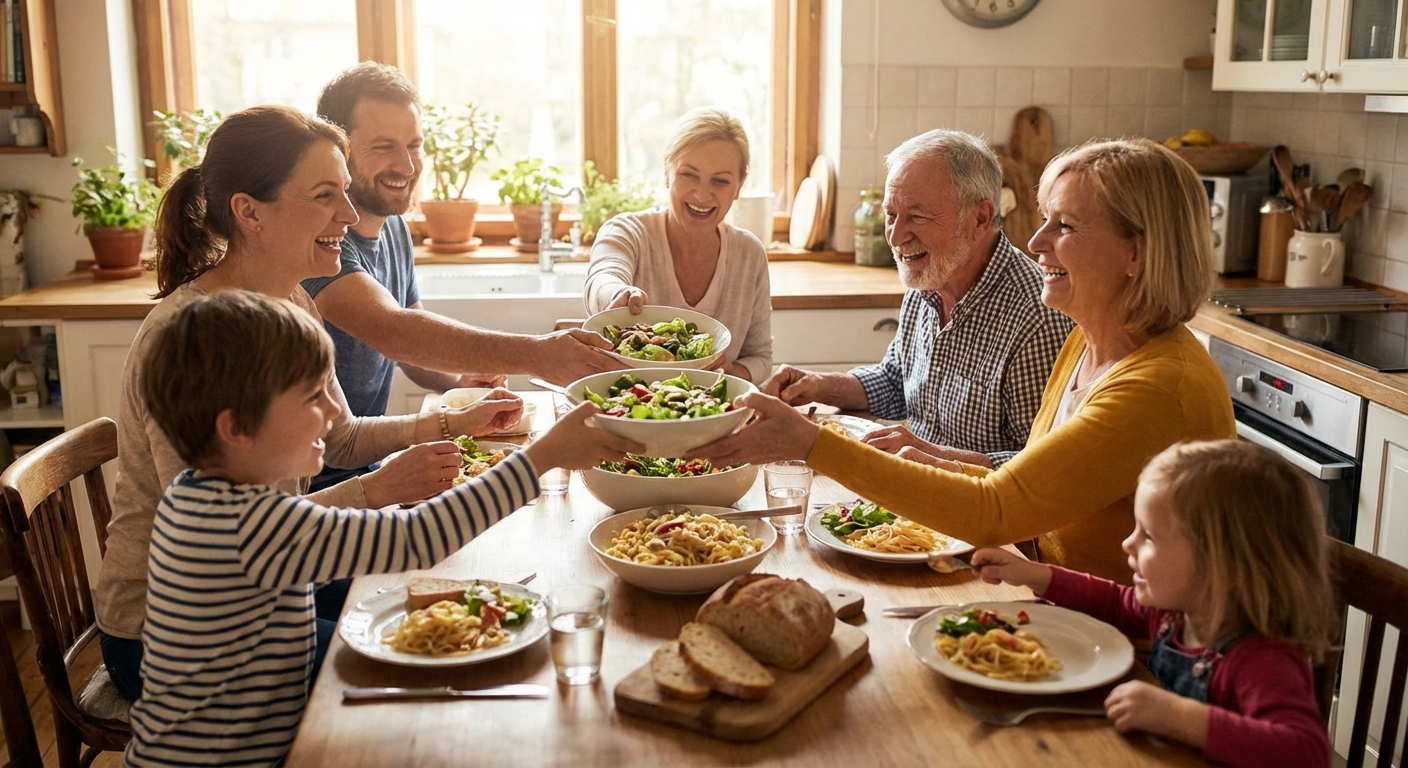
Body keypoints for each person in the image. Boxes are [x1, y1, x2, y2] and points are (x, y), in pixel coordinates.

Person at [96, 106, 524, 703]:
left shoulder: (294, 301)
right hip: (173, 637)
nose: (349, 217)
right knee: (430, 659)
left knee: (463, 599)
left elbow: (342, 439)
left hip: (274, 585)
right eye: (325, 196)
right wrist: (375, 492)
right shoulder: (187, 339)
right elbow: (216, 548)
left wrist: (451, 422)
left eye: (345, 193)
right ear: (249, 212)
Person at [123, 290, 639, 767]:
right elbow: (419, 536)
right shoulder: (252, 525)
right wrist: (541, 456)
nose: (332, 413)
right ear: (236, 428)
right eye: (311, 399)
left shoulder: (199, 497)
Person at [697, 138, 1236, 583]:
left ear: (1137, 253)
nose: (1036, 239)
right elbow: (1037, 477)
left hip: (1124, 639)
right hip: (1043, 587)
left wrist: (812, 443)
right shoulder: (1088, 340)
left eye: (1064, 226)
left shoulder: (1154, 385)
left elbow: (1001, 507)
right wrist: (933, 458)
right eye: (1044, 219)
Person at [304, 62, 620, 491]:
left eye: (414, 145)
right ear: (337, 148)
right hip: (321, 488)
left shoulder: (393, 224)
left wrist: (458, 381)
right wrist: (538, 354)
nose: (406, 165)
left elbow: (408, 337)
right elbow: (393, 331)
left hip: (366, 468)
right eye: (384, 146)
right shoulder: (321, 241)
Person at [969, 440, 1334, 767]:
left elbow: (1307, 752)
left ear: (1223, 565)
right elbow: (1114, 602)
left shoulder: (1262, 658)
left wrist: (1177, 716)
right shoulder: (1174, 615)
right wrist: (1035, 575)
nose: (1128, 545)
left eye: (1149, 537)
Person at [764, 129, 1073, 468]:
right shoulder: (929, 279)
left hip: (978, 513)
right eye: (891, 215)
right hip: (917, 490)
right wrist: (820, 385)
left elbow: (1043, 470)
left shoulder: (1037, 319)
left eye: (917, 217)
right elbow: (897, 382)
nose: (896, 237)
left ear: (979, 218)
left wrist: (933, 456)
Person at [583, 107, 772, 382]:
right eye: (688, 175)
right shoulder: (627, 231)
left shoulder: (749, 254)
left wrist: (729, 374)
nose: (702, 194)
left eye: (720, 181)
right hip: (625, 414)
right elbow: (602, 277)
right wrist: (616, 294)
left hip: (710, 418)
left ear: (739, 186)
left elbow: (761, 358)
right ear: (666, 173)